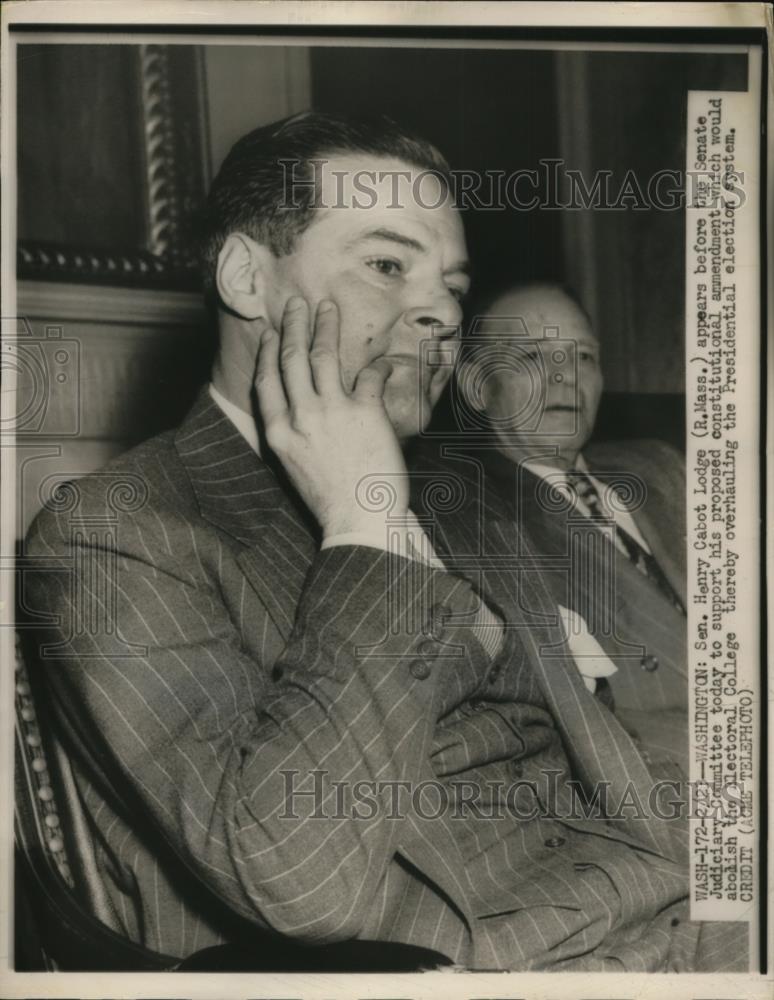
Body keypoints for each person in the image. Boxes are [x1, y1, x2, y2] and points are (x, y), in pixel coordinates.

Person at [24, 113, 744, 971]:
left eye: (451, 282)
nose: (441, 310)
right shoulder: (115, 534)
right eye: (387, 265)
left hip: (664, 904)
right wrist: (363, 529)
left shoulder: (445, 495)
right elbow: (295, 882)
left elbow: (596, 744)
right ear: (248, 277)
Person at [455, 282, 688, 771]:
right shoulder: (465, 528)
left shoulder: (658, 463)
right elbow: (573, 729)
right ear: (478, 386)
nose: (566, 378)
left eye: (583, 357)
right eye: (536, 357)